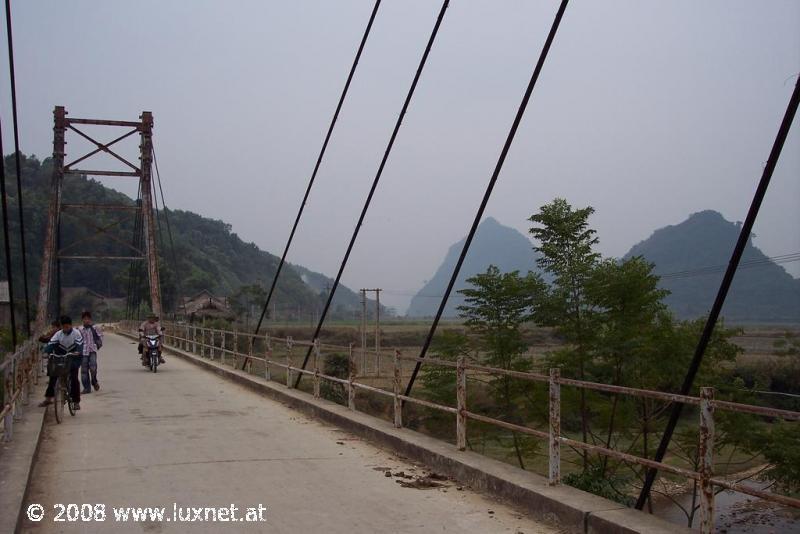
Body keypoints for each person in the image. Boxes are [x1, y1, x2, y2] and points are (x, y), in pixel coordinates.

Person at [41, 315, 83, 410]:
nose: (65, 329)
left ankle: (76, 401)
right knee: (53, 375)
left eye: (67, 327)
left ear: (70, 326)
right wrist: (46, 352)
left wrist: (78, 352)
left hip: (73, 357)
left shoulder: (76, 333)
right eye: (63, 327)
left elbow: (80, 345)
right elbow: (51, 344)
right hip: (61, 357)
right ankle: (48, 398)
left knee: (74, 377)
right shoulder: (58, 334)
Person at [78, 311, 103, 393]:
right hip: (83, 352)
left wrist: (98, 344)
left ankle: (94, 381)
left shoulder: (95, 328)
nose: (86, 320)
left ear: (90, 319)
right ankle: (86, 388)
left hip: (92, 350)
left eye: (88, 319)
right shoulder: (80, 329)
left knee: (93, 368)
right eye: (85, 319)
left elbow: (100, 336)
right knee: (84, 370)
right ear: (82, 320)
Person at [38, 319, 61, 407]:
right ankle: (49, 398)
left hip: (58, 358)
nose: (52, 329)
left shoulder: (57, 334)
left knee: (53, 378)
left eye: (54, 327)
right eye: (52, 327)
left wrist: (41, 336)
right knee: (53, 378)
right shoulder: (55, 333)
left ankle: (48, 399)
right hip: (55, 358)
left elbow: (46, 339)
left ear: (58, 327)